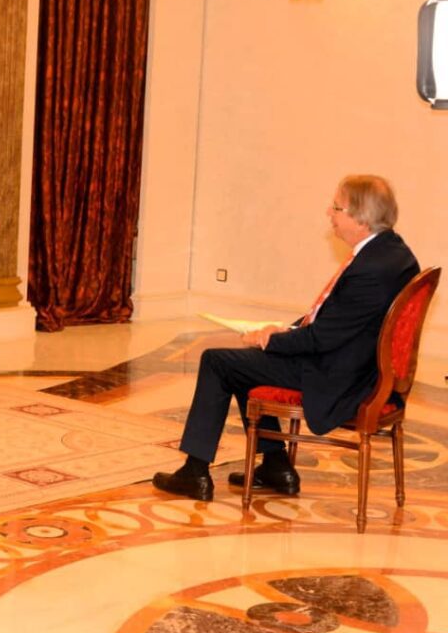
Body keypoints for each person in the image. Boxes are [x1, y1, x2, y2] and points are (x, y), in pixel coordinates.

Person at [152, 175, 419, 501]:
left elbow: (322, 339)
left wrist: (270, 341)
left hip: (337, 376)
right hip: (354, 364)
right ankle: (276, 466)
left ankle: (195, 472)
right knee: (242, 364)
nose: (329, 213)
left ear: (360, 218)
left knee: (217, 362)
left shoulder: (370, 270)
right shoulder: (392, 252)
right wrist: (285, 330)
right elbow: (335, 321)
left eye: (336, 208)